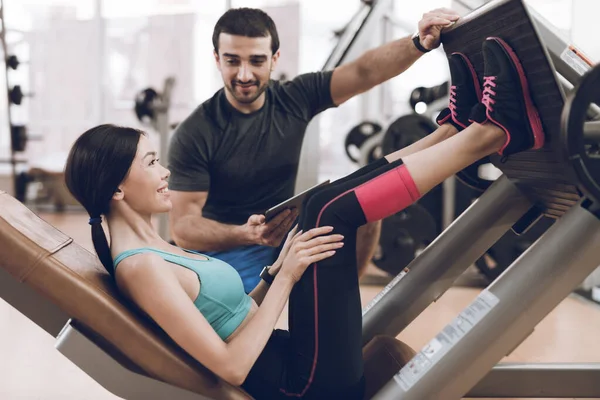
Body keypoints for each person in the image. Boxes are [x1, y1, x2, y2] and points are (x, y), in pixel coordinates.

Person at [65, 37, 545, 399]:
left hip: (299, 367)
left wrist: (274, 272)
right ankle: (488, 136)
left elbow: (227, 317)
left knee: (318, 205)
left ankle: (454, 132)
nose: (166, 171)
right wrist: (287, 277)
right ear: (117, 189)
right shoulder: (141, 266)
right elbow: (230, 367)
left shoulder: (155, 249)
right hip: (304, 387)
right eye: (152, 164)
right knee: (328, 211)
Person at [166, 7, 462, 293]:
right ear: (217, 60)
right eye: (232, 61)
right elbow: (182, 228)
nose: (244, 75)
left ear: (274, 59)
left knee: (366, 208)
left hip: (286, 235)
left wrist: (417, 43)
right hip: (226, 250)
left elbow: (363, 72)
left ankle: (340, 302)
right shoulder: (196, 131)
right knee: (242, 313)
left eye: (256, 61)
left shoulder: (294, 98)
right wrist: (247, 233)